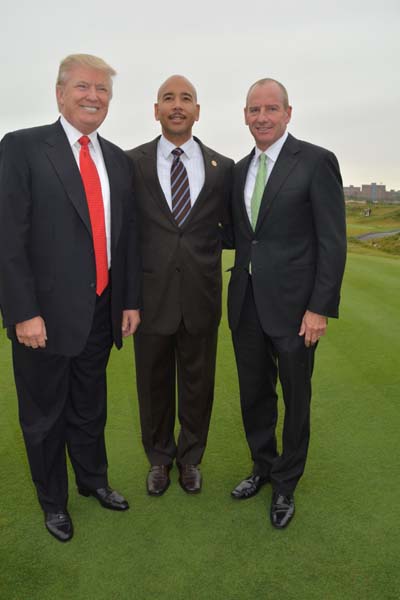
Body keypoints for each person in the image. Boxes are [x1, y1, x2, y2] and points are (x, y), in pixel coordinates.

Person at [0, 54, 141, 542]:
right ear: (60, 94)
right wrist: (23, 312)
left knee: (89, 406)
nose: (93, 97)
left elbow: (124, 240)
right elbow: (8, 238)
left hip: (100, 311)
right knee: (44, 416)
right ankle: (53, 502)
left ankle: (93, 482)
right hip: (43, 318)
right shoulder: (22, 148)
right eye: (83, 87)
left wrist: (128, 300)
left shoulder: (118, 161)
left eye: (102, 90)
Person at [228, 78, 346, 528]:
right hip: (247, 305)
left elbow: (332, 243)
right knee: (254, 395)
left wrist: (320, 308)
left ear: (288, 113)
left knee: (296, 398)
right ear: (245, 115)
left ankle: (285, 484)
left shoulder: (316, 162)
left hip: (298, 312)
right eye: (254, 109)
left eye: (271, 109)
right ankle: (262, 466)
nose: (262, 117)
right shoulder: (239, 170)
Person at [126, 75, 233, 496]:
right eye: (168, 98)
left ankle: (190, 459)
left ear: (197, 110)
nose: (176, 105)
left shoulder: (223, 168)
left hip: (200, 297)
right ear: (156, 110)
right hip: (149, 299)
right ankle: (159, 459)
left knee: (198, 384)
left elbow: (232, 229)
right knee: (152, 386)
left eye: (185, 98)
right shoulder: (130, 163)